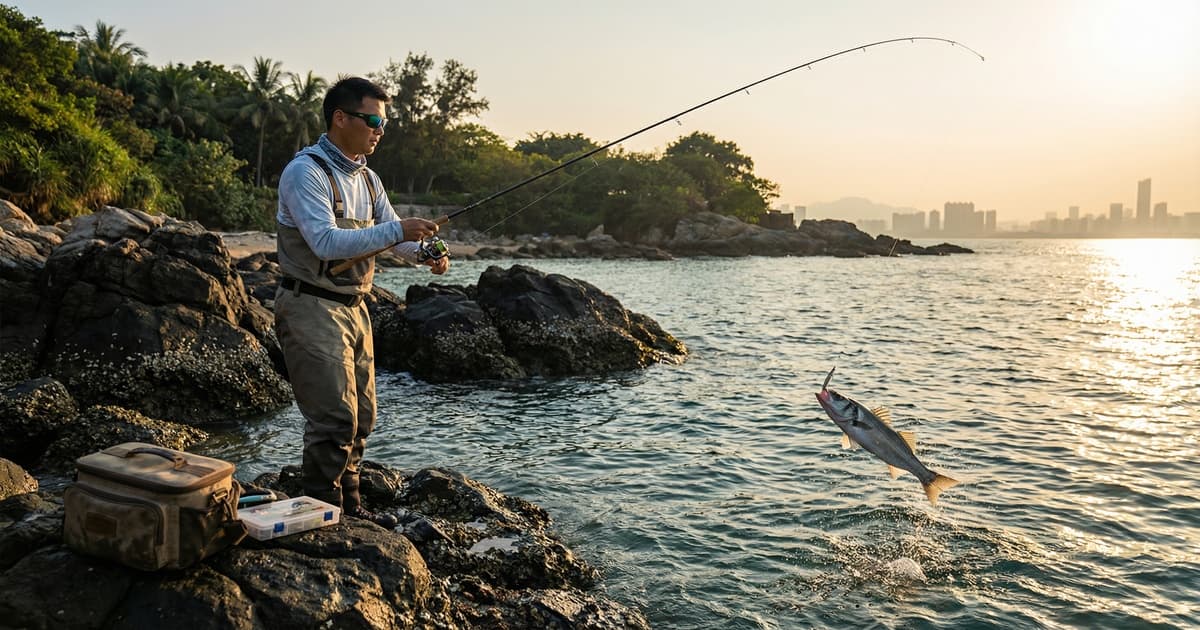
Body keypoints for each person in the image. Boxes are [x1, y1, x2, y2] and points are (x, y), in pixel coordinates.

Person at [274, 76, 448, 529]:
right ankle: (321, 511)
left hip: (355, 306)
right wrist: (399, 230)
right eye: (372, 121)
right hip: (310, 305)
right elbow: (326, 243)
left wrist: (426, 253)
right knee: (334, 417)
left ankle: (349, 506)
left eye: (383, 123)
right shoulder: (305, 172)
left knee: (362, 416)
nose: (380, 130)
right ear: (340, 118)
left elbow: (396, 241)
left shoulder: (369, 179)